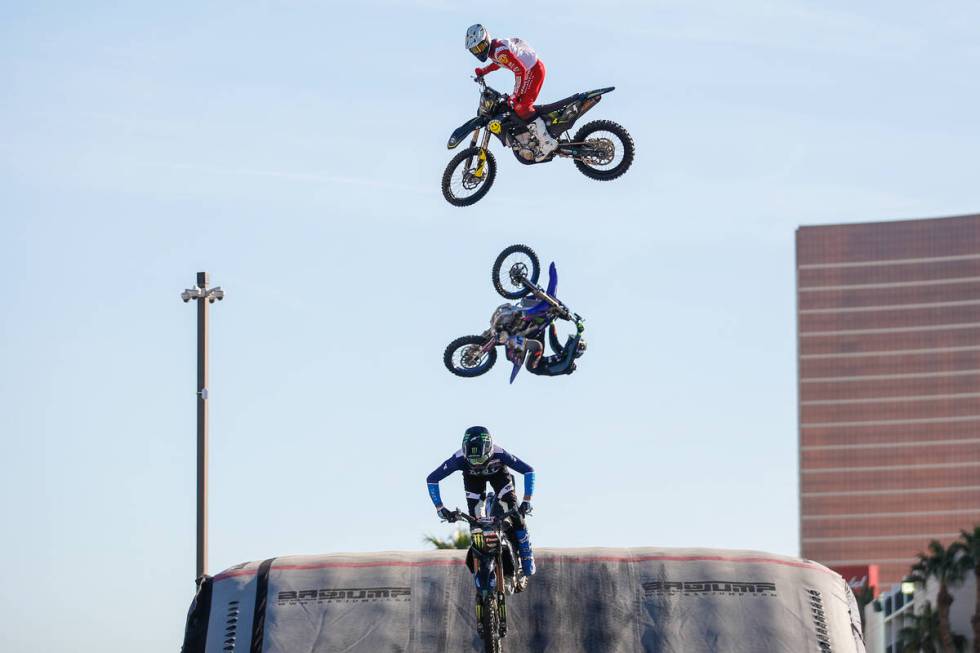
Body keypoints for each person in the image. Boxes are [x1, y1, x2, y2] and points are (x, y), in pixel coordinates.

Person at [426, 426, 536, 576]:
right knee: (476, 521)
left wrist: (526, 500)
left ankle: (526, 553)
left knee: (513, 510)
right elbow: (432, 479)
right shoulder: (458, 459)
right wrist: (440, 508)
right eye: (472, 459)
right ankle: (481, 559)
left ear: (490, 450)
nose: (477, 464)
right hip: (473, 481)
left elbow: (528, 470)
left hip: (499, 476)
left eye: (481, 458)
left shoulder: (500, 453)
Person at [465, 24, 559, 157]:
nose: (478, 51)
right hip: (530, 70)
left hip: (532, 71)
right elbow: (499, 64)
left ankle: (547, 142)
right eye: (474, 50)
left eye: (480, 46)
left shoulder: (499, 51)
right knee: (514, 106)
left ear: (486, 40)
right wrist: (484, 71)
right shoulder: (495, 50)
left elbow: (519, 70)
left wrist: (515, 94)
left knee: (522, 107)